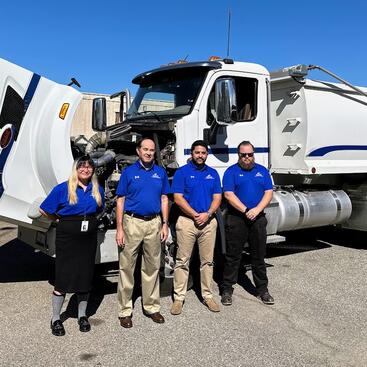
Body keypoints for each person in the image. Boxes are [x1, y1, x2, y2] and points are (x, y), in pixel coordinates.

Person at [40, 156, 105, 336]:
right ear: (76, 169)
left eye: (89, 167)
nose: (85, 170)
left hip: (88, 238)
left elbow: (100, 210)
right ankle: (55, 318)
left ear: (92, 170)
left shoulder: (97, 189)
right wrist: (59, 219)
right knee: (62, 277)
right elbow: (44, 209)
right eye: (82, 167)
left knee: (85, 277)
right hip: (67, 238)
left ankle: (82, 316)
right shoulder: (63, 188)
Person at [116, 137, 170, 328]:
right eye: (145, 149)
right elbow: (120, 200)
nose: (148, 153)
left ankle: (152, 307)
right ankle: (125, 310)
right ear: (138, 151)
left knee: (152, 267)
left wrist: (165, 224)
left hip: (154, 223)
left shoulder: (160, 172)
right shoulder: (129, 173)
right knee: (127, 267)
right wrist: (120, 228)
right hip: (132, 223)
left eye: (152, 150)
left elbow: (164, 198)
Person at [170, 140, 222, 315]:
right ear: (191, 154)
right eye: (197, 152)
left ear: (207, 154)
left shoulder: (213, 173)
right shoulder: (182, 173)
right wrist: (194, 214)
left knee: (207, 261)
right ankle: (178, 298)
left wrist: (208, 214)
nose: (200, 155)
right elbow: (178, 197)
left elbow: (217, 198)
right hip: (186, 222)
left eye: (203, 153)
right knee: (182, 261)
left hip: (208, 222)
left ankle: (208, 296)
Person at [221, 140, 274, 306]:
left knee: (258, 256)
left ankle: (262, 290)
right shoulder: (231, 172)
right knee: (233, 256)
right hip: (237, 218)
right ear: (239, 155)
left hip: (257, 218)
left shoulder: (262, 171)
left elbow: (268, 192)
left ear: (253, 154)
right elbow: (229, 194)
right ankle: (227, 289)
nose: (246, 157)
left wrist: (256, 210)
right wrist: (245, 210)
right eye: (243, 155)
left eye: (249, 154)